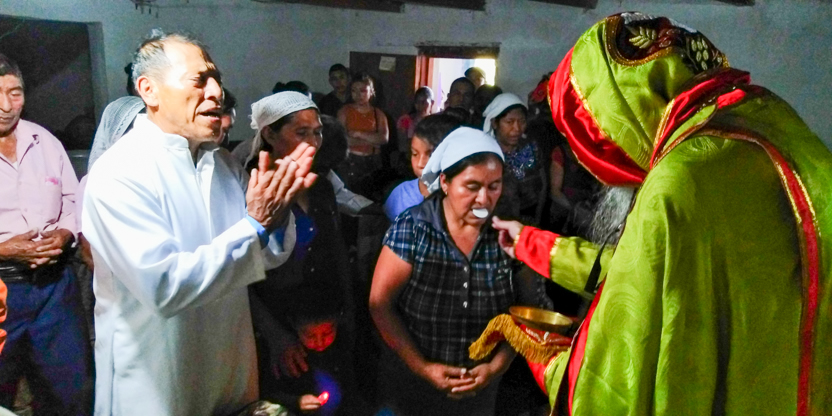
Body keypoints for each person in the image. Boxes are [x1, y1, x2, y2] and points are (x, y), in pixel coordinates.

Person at [489, 13, 832, 416]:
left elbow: (614, 381)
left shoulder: (681, 178)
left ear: (620, 112)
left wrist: (545, 356)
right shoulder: (776, 125)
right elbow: (641, 270)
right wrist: (529, 241)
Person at [82, 30, 317, 415]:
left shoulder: (222, 164)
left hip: (228, 364)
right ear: (149, 91)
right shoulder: (120, 172)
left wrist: (275, 214)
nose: (216, 92)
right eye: (199, 80)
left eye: (217, 79)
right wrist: (255, 224)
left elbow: (262, 257)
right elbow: (164, 287)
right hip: (157, 376)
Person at [370, 127, 540, 416]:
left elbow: (528, 310)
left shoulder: (507, 234)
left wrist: (495, 367)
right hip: (414, 384)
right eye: (472, 186)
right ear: (445, 182)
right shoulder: (413, 228)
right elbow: (380, 305)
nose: (484, 199)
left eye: (494, 186)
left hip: (482, 387)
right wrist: (423, 367)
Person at [242, 92, 354, 405]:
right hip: (277, 318)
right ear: (269, 134)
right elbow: (241, 271)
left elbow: (336, 253)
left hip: (324, 321)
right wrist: (274, 333)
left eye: (317, 132)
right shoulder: (253, 189)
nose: (313, 142)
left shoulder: (320, 186)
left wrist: (347, 313)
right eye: (301, 132)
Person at [0, 53, 92, 415]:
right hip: (3, 288)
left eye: (15, 93)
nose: (6, 106)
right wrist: (4, 249)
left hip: (55, 288)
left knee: (71, 390)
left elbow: (72, 200)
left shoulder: (44, 141)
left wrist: (67, 232)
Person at [484, 93, 547, 226]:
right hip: (496, 223)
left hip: (530, 221)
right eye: (509, 122)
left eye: (522, 121)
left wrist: (538, 219)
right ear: (494, 123)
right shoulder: (486, 153)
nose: (517, 128)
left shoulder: (531, 148)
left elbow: (543, 185)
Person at [383, 114, 460, 221]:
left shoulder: (461, 196)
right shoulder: (400, 195)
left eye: (431, 155)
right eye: (415, 154)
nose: (420, 163)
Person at [335, 73, 389, 196]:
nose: (358, 95)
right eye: (354, 91)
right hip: (350, 162)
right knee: (349, 198)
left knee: (371, 198)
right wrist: (371, 140)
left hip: (372, 162)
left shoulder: (378, 114)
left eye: (363, 91)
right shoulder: (344, 111)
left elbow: (383, 138)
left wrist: (358, 134)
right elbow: (342, 139)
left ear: (371, 92)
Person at [395, 86, 434, 151]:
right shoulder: (405, 120)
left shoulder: (435, 123)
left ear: (432, 103)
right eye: (417, 102)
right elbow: (402, 145)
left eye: (423, 102)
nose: (419, 105)